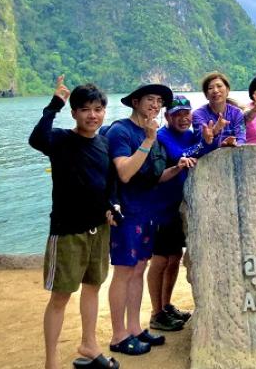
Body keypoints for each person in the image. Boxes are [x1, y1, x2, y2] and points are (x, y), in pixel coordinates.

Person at [28, 76, 119, 369]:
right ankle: (51, 361)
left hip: (99, 230)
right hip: (68, 231)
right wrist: (54, 104)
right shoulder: (61, 140)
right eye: (85, 109)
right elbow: (36, 139)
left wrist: (112, 207)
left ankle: (89, 343)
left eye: (98, 109)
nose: (92, 115)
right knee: (60, 296)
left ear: (104, 112)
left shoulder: (104, 144)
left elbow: (108, 185)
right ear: (74, 113)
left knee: (93, 286)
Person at [106, 84, 191, 356]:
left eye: (159, 101)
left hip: (147, 212)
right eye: (150, 100)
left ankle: (134, 328)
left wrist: (176, 168)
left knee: (139, 269)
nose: (155, 105)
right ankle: (118, 335)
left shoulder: (149, 133)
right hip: (126, 213)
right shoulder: (121, 131)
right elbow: (124, 173)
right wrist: (148, 140)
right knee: (124, 272)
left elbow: (153, 177)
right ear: (135, 102)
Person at [147, 95, 208, 332]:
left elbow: (203, 148)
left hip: (179, 206)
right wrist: (204, 142)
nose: (183, 118)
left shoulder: (191, 134)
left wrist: (211, 138)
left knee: (174, 258)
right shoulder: (162, 136)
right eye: (177, 114)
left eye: (186, 113)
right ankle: (156, 313)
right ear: (167, 117)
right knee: (160, 259)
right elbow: (179, 154)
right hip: (160, 207)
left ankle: (166, 305)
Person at [192, 72, 246, 152]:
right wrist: (214, 132)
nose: (215, 90)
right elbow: (200, 141)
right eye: (210, 88)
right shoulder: (198, 114)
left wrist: (235, 144)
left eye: (219, 86)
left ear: (227, 90)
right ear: (206, 95)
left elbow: (241, 138)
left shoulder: (237, 113)